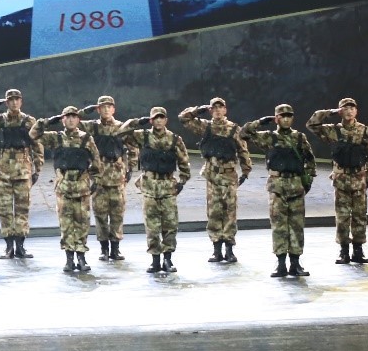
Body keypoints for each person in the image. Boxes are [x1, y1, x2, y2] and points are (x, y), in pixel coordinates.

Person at [240, 104, 316, 277]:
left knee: (296, 226)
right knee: (279, 226)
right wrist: (260, 122)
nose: (286, 119)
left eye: (289, 116)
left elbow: (310, 160)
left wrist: (308, 181)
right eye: (282, 116)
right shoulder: (269, 137)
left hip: (296, 186)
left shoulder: (299, 138)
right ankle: (281, 264)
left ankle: (295, 264)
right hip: (277, 187)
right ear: (276, 119)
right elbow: (243, 134)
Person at [177, 97, 252, 263]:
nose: (217, 110)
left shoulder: (234, 129)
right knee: (214, 212)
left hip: (229, 175)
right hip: (212, 176)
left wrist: (246, 171)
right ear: (210, 110)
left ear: (225, 110)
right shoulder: (206, 127)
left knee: (230, 212)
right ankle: (216, 249)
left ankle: (229, 249)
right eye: (214, 108)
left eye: (220, 107)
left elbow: (243, 150)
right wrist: (198, 110)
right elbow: (183, 118)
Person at [0, 88, 44, 260]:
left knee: (22, 208)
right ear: (6, 102)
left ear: (21, 101)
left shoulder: (29, 121)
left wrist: (38, 168)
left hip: (23, 171)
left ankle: (20, 246)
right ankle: (9, 246)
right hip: (2, 171)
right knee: (4, 209)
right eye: (10, 100)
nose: (14, 102)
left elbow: (37, 144)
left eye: (17, 99)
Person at [31, 106, 102, 273]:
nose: (70, 120)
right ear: (62, 119)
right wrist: (47, 122)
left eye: (73, 117)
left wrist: (96, 180)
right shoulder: (56, 138)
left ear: (78, 119)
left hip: (82, 186)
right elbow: (33, 135)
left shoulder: (86, 139)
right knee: (66, 223)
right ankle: (69, 258)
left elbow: (96, 160)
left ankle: (81, 257)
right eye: (67, 117)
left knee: (82, 222)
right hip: (63, 186)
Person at [120, 107, 191, 274]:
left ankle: (168, 259)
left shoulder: (174, 139)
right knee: (152, 226)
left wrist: (182, 181)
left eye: (161, 117)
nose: (158, 120)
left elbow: (184, 161)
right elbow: (121, 132)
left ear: (166, 120)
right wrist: (137, 122)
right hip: (149, 185)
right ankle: (155, 260)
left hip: (167, 185)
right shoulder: (143, 136)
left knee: (170, 224)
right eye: (155, 118)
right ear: (151, 120)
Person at [306, 97, 368, 264]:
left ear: (356, 111)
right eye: (345, 108)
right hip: (341, 179)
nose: (349, 111)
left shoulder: (364, 130)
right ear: (340, 111)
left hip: (359, 179)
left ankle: (358, 250)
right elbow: (312, 124)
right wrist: (329, 112)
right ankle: (344, 250)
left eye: (352, 108)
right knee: (342, 217)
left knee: (360, 216)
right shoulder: (334, 131)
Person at [81, 95, 138, 262]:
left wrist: (130, 167)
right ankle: (104, 248)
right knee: (100, 214)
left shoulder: (121, 127)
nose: (106, 110)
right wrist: (86, 111)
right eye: (102, 107)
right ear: (98, 109)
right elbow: (73, 120)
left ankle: (115, 248)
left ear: (114, 109)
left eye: (109, 107)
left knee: (117, 214)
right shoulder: (92, 127)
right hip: (98, 176)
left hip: (117, 176)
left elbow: (133, 147)